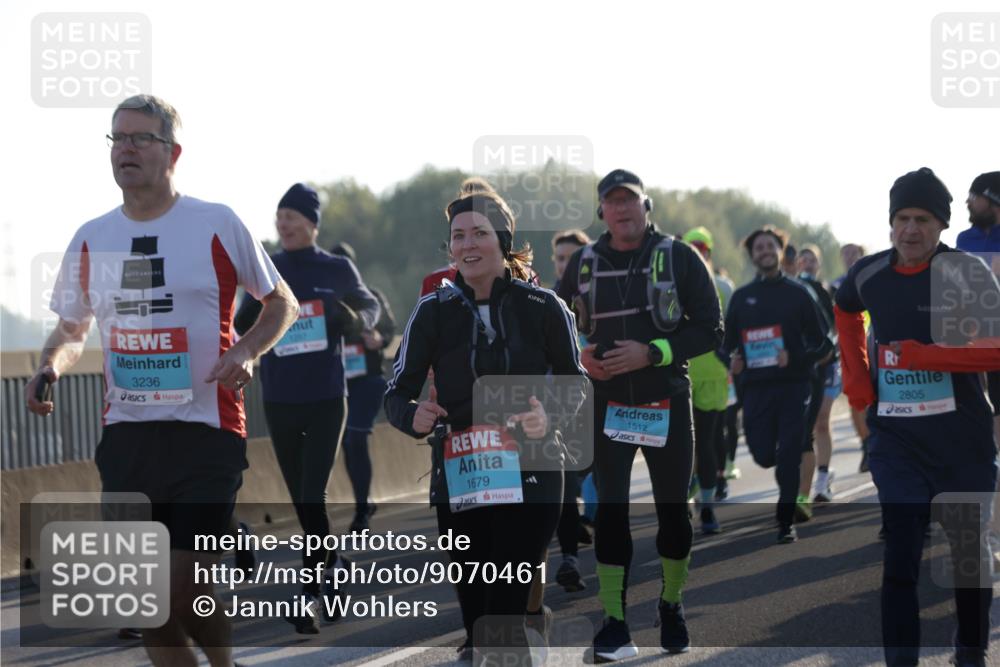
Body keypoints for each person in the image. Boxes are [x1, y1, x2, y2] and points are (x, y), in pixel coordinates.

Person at [26, 94, 298, 667]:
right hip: (127, 436)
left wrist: (246, 350)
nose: (125, 149)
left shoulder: (215, 222)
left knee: (185, 587)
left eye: (139, 138)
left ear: (172, 153)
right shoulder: (91, 236)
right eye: (117, 138)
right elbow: (72, 329)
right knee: (146, 604)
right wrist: (50, 365)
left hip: (207, 431)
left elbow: (282, 303)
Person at [385, 183, 586, 662]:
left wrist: (549, 415)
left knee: (503, 612)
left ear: (503, 240)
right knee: (478, 621)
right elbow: (395, 393)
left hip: (533, 467)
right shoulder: (431, 311)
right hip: (464, 471)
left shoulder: (544, 307)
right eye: (458, 236)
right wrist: (413, 415)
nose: (467, 244)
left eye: (479, 233)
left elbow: (576, 383)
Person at [835, 167, 1000, 667]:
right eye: (902, 218)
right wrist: (857, 379)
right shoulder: (868, 274)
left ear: (942, 225)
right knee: (901, 552)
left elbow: (995, 349)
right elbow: (844, 309)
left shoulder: (967, 272)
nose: (910, 229)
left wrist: (924, 355)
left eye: (923, 220)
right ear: (890, 222)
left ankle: (970, 649)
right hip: (898, 439)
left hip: (963, 439)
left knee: (968, 553)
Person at [558, 169, 723, 659]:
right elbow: (557, 327)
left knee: (673, 514)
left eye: (629, 200)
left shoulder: (679, 256)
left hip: (665, 399)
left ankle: (671, 604)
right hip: (607, 404)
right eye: (613, 201)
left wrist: (653, 353)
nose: (622, 208)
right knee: (610, 513)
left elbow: (711, 328)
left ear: (646, 206)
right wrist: (580, 358)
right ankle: (614, 623)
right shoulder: (583, 264)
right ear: (602, 211)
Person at [233, 183, 380, 634]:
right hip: (279, 398)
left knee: (313, 494)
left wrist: (351, 318)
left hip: (326, 397)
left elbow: (369, 306)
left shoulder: (335, 267)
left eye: (292, 217)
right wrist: (257, 318)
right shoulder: (269, 266)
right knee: (301, 498)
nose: (284, 224)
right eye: (280, 217)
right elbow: (241, 319)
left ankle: (309, 593)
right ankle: (335, 563)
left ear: (312, 224)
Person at [722, 226, 832, 544]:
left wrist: (795, 357)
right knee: (763, 454)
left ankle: (785, 522)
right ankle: (778, 470)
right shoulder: (742, 298)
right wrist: (731, 361)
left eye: (770, 246)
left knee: (789, 455)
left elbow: (824, 344)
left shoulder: (799, 293)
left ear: (780, 251)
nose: (765, 251)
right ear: (752, 255)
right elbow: (724, 345)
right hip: (755, 389)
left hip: (794, 387)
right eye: (759, 247)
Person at [329, 242, 397, 532]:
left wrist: (379, 339)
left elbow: (389, 328)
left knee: (355, 437)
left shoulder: (371, 296)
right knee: (347, 443)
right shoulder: (325, 300)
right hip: (337, 383)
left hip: (368, 380)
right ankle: (363, 501)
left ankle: (361, 511)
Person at [548, 228, 593, 592]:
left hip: (603, 400)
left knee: (589, 476)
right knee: (563, 479)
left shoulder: (606, 296)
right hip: (562, 404)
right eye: (561, 259)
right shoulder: (544, 301)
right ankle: (569, 560)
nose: (567, 265)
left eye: (575, 258)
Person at [681, 226, 731, 533]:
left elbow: (734, 326)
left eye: (702, 248)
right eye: (692, 248)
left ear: (709, 251)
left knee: (706, 443)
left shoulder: (723, 286)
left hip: (712, 374)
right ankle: (688, 503)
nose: (698, 253)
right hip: (681, 373)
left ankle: (708, 508)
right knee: (684, 445)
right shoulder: (673, 284)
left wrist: (735, 361)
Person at [794, 245, 839, 509]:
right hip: (804, 367)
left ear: (819, 265)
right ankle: (805, 482)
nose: (808, 263)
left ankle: (822, 479)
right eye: (804, 259)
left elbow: (835, 327)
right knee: (805, 427)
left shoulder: (825, 291)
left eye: (813, 260)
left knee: (821, 421)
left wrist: (829, 351)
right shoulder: (794, 289)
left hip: (828, 364)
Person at [831, 242, 872, 472]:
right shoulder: (836, 284)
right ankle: (866, 443)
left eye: (853, 253)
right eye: (845, 253)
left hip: (873, 345)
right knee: (855, 399)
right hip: (850, 348)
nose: (848, 257)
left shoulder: (872, 277)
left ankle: (879, 439)